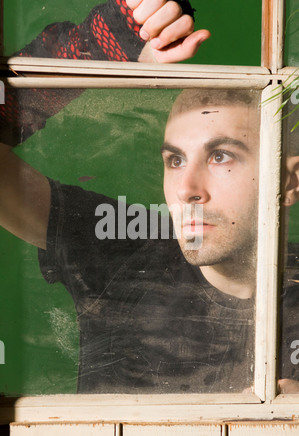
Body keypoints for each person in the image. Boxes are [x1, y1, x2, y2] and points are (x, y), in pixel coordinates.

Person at [1, 0, 298, 394]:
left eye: (220, 156)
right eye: (174, 160)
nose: (186, 189)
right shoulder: (116, 251)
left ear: (289, 181)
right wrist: (102, 47)